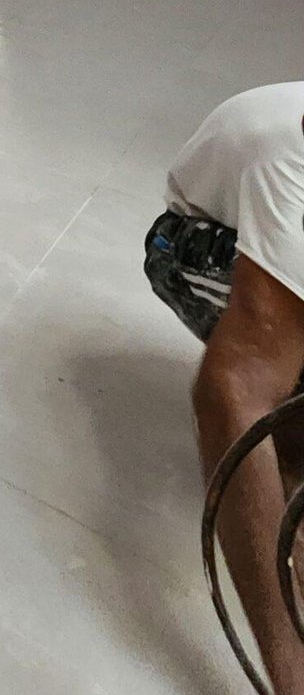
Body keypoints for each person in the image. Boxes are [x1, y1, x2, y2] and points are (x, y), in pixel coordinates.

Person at [145, 83, 304, 693]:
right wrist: (292, 672)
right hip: (199, 241)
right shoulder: (288, 166)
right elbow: (231, 389)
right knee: (266, 374)